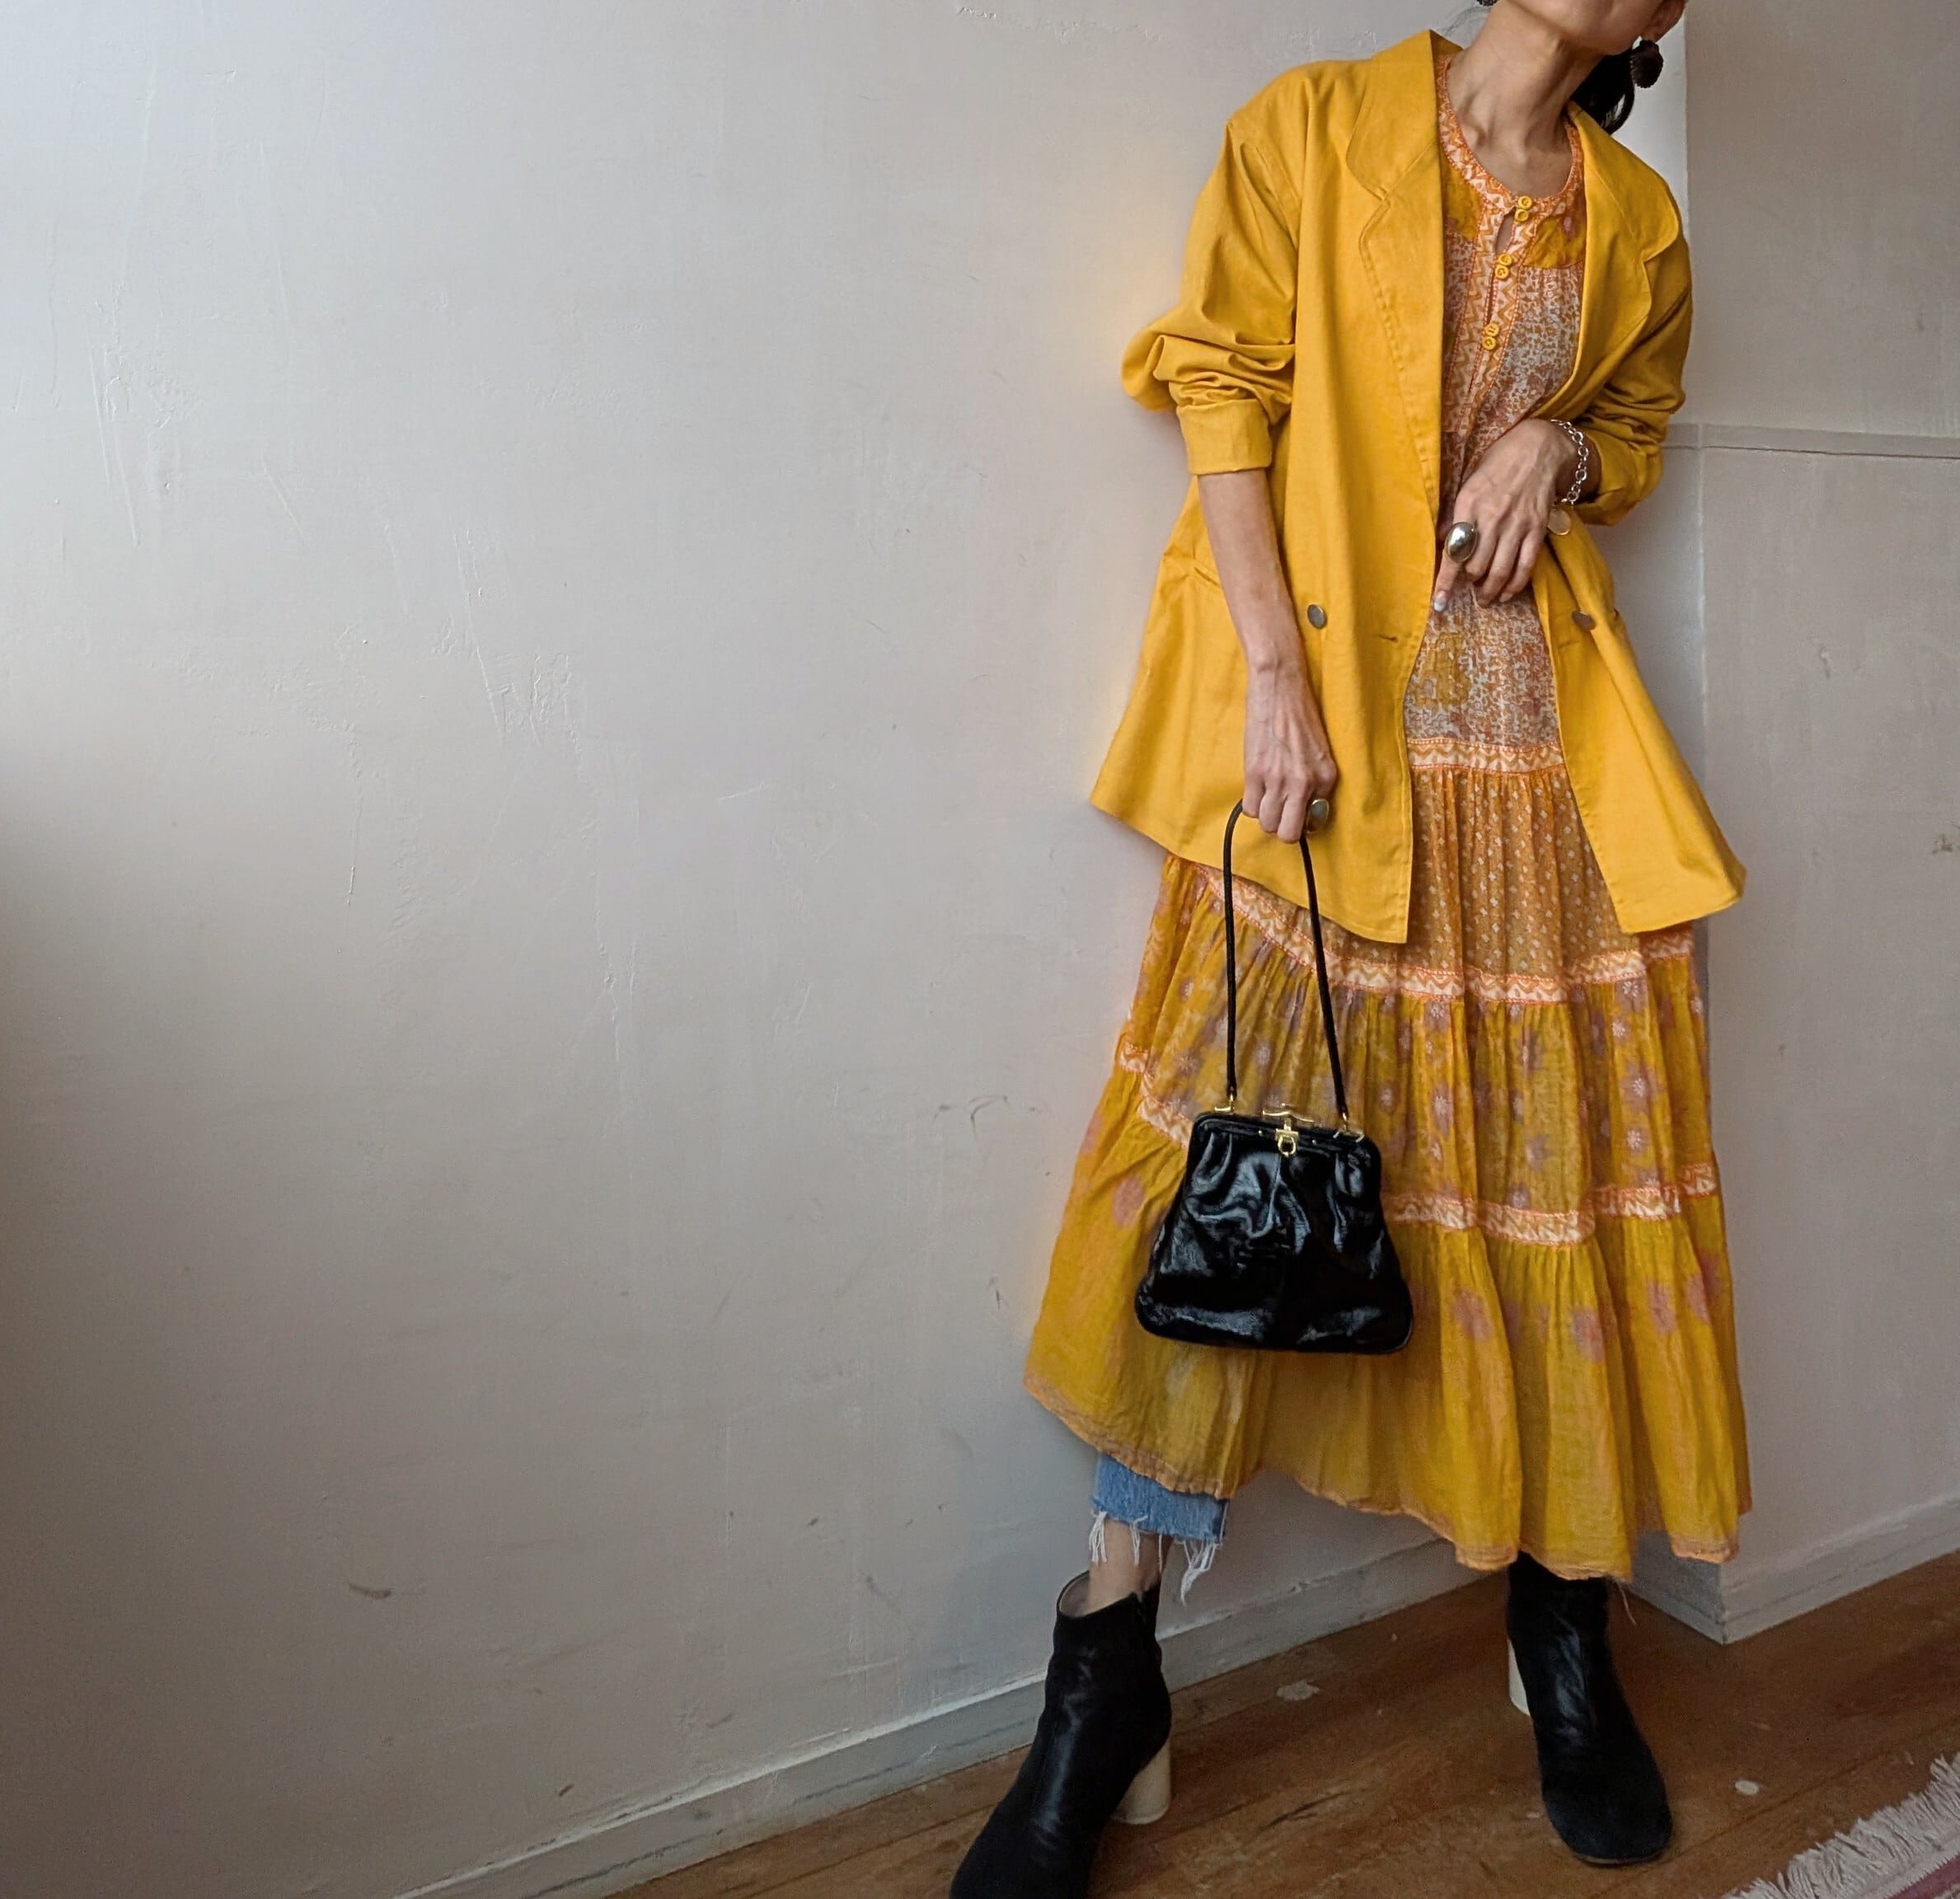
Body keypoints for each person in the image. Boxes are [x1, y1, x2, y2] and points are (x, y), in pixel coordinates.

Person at [951, 3, 1751, 1892]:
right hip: (1322, 755)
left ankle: (1562, 1625)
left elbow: (1634, 438)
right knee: (1226, 1187)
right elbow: (1221, 390)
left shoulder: (1635, 218)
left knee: (1548, 1182)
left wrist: (1559, 443)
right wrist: (1269, 681)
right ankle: (1107, 1673)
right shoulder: (1311, 127)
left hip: (1540, 777)